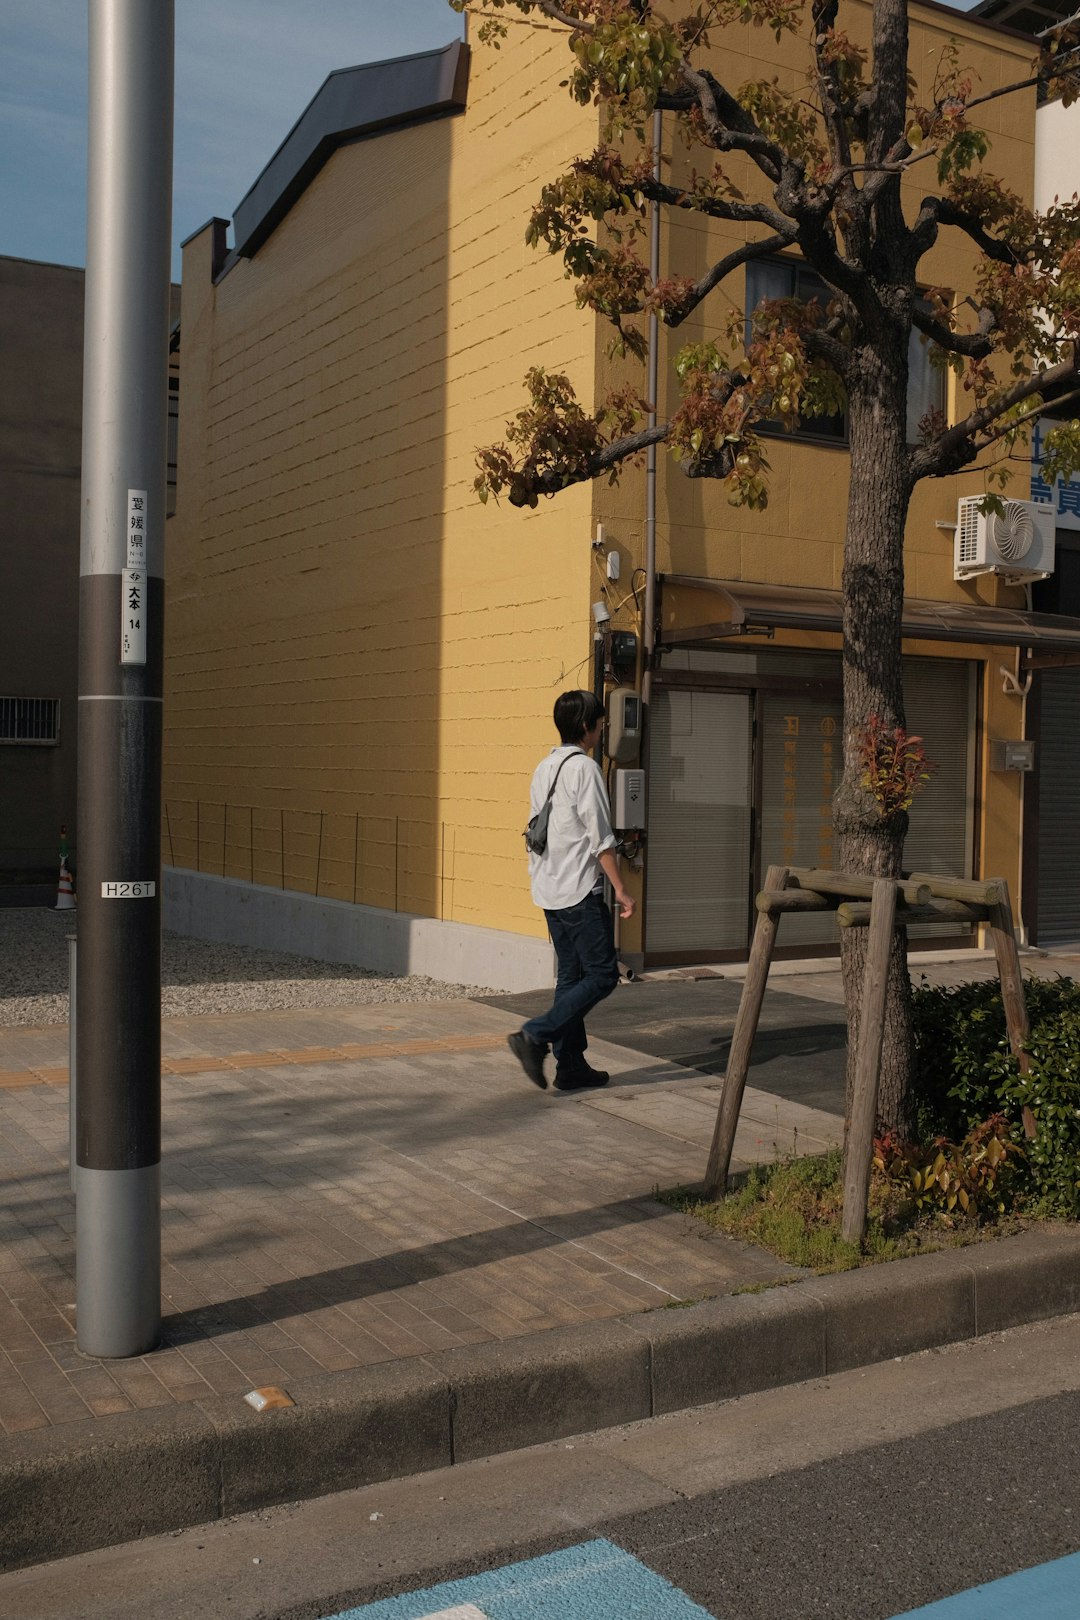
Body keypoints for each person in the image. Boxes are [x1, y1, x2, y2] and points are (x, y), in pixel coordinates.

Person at [507, 689, 635, 1093]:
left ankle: (571, 1065)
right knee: (601, 976)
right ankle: (535, 1034)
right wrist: (621, 890)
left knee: (571, 975)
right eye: (600, 722)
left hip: (548, 888)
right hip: (579, 891)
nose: (603, 727)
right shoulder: (585, 769)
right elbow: (601, 839)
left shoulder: (544, 767)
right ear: (586, 727)